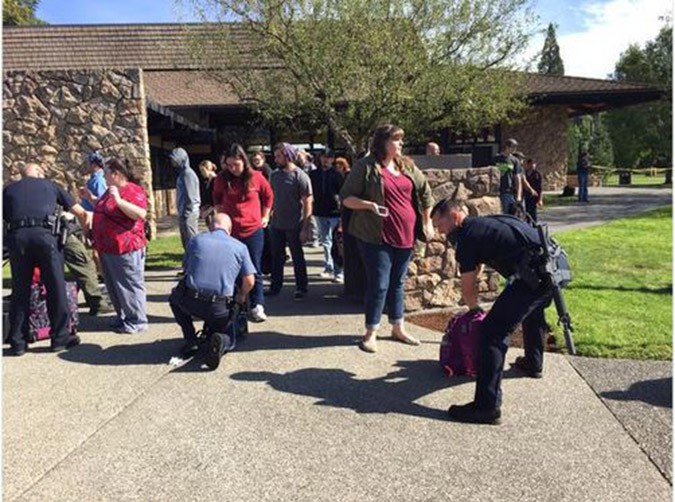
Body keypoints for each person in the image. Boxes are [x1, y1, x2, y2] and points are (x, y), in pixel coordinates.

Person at [431, 200, 554, 425]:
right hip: (552, 268)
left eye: (441, 225)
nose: (440, 232)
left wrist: (474, 309)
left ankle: (486, 407)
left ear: (455, 217)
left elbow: (467, 287)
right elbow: (476, 265)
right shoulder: (483, 224)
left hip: (533, 277)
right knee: (532, 311)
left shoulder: (467, 238)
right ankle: (533, 362)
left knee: (491, 333)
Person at [340, 124, 435, 353]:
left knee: (398, 283)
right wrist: (369, 205)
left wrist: (427, 221)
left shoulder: (407, 166)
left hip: (406, 234)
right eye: (396, 139)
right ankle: (370, 332)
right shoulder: (366, 166)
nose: (401, 144)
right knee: (379, 284)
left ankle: (397, 328)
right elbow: (346, 198)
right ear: (383, 142)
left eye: (401, 140)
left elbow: (426, 193)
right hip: (375, 236)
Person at [3, 163, 88, 355]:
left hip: (18, 240)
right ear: (40, 173)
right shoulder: (51, 186)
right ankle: (60, 338)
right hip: (46, 238)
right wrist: (88, 231)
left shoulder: (8, 191)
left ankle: (18, 342)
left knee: (20, 290)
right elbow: (80, 212)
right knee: (55, 286)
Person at [169, 213, 256, 370]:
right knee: (229, 333)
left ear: (210, 226)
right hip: (219, 308)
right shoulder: (240, 247)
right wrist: (241, 296)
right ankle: (222, 340)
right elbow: (250, 281)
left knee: (174, 299)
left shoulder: (196, 240)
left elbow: (187, 269)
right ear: (229, 230)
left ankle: (190, 339)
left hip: (190, 302)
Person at [212, 144, 274, 322]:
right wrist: (219, 212)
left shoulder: (256, 177)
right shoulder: (221, 179)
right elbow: (216, 196)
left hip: (253, 229)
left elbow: (269, 195)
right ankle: (238, 305)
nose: (233, 169)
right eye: (229, 165)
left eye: (236, 165)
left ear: (243, 162)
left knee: (254, 267)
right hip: (231, 231)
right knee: (233, 269)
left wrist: (265, 215)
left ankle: (257, 304)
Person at [92, 157, 149, 334]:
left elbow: (140, 214)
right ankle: (123, 317)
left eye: (106, 173)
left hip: (126, 247)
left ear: (116, 174)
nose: (104, 176)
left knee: (130, 284)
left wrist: (119, 200)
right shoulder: (110, 191)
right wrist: (92, 199)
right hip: (107, 247)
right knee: (114, 285)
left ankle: (137, 320)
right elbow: (107, 210)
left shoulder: (132, 190)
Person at [267, 142, 314, 300]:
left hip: (295, 224)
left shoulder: (300, 176)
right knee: (276, 256)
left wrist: (305, 227)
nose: (276, 159)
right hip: (276, 224)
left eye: (279, 156)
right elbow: (271, 198)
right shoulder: (274, 175)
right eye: (275, 156)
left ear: (288, 156)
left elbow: (308, 201)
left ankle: (301, 287)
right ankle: (275, 286)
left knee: (297, 256)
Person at [310, 148, 345, 283]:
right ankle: (328, 267)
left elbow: (342, 193)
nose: (325, 160)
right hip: (320, 211)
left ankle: (339, 270)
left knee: (337, 242)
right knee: (325, 242)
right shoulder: (314, 174)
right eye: (323, 157)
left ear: (332, 159)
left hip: (335, 212)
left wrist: (342, 210)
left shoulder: (337, 174)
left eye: (328, 157)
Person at [169, 147, 201, 272]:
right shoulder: (182, 174)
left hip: (189, 214)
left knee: (191, 241)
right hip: (184, 213)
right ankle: (188, 266)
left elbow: (191, 196)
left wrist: (187, 213)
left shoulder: (188, 174)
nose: (173, 162)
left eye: (175, 159)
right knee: (186, 241)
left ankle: (195, 267)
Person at [494, 138, 523, 215]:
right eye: (513, 147)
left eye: (516, 147)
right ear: (507, 147)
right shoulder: (496, 159)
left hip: (508, 191)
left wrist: (518, 195)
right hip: (496, 191)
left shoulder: (515, 160)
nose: (515, 149)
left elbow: (518, 179)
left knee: (508, 214)